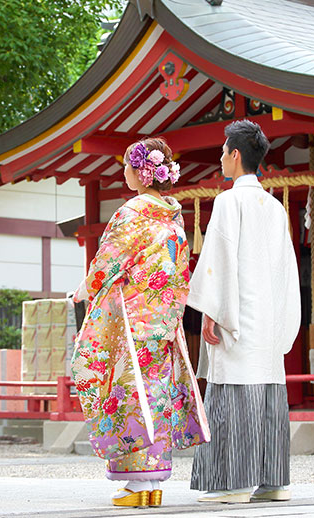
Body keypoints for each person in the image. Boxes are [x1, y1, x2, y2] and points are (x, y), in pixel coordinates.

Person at [72, 137, 210, 508]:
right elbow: (178, 273)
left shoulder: (132, 213)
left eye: (127, 167)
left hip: (132, 323)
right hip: (163, 322)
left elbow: (108, 262)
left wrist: (86, 290)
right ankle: (153, 485)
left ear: (142, 173)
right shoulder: (175, 217)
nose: (124, 173)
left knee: (131, 395)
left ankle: (135, 485)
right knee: (158, 397)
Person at [187, 119, 301, 503]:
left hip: (236, 316)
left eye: (223, 151)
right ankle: (274, 482)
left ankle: (232, 484)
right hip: (267, 321)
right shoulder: (274, 207)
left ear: (235, 155)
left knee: (232, 396)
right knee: (268, 395)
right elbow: (287, 270)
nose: (220, 158)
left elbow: (219, 261)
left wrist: (211, 311)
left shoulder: (228, 201)